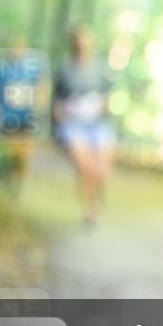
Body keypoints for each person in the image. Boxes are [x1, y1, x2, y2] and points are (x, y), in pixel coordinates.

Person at [54, 26, 116, 227]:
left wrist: (101, 106)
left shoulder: (101, 67)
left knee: (101, 168)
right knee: (85, 166)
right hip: (74, 125)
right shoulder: (65, 68)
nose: (82, 46)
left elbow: (109, 95)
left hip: (98, 124)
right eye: (79, 42)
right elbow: (57, 100)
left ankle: (97, 194)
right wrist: (61, 114)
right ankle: (91, 210)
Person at [0, 39, 44, 196]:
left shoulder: (31, 71)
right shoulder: (2, 71)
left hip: (26, 119)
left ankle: (16, 184)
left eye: (21, 48)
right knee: (8, 152)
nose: (18, 51)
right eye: (15, 48)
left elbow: (41, 86)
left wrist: (38, 106)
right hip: (6, 119)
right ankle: (4, 173)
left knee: (23, 155)